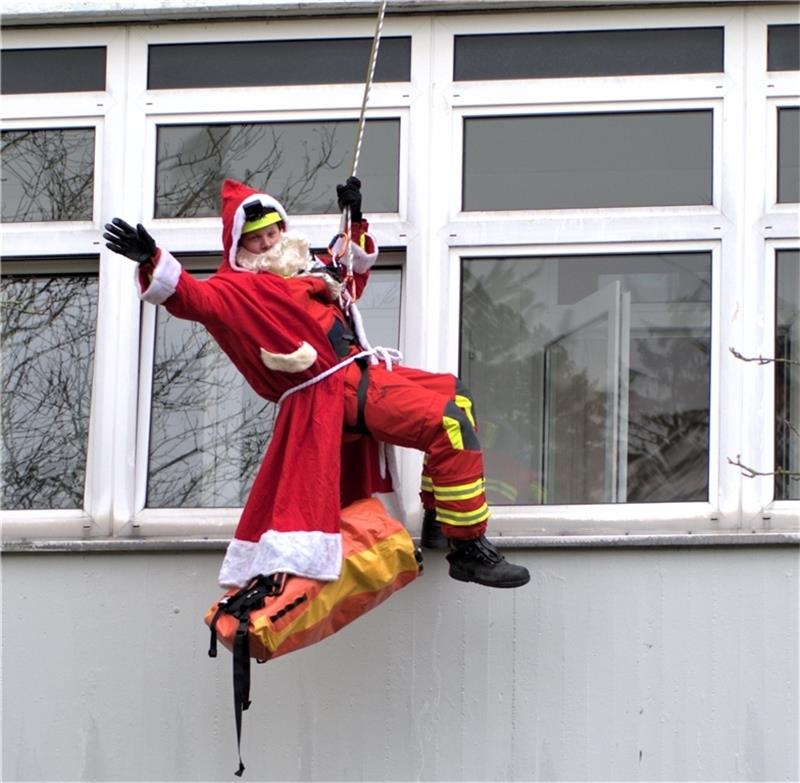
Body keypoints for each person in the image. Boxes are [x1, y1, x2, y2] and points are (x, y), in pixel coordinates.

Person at [104, 177, 530, 589]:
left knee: (456, 395)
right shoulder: (239, 291)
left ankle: (440, 521)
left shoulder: (309, 271)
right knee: (447, 423)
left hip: (361, 372)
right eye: (257, 239)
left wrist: (354, 216)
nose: (269, 243)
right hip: (332, 389)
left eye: (273, 232)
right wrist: (151, 259)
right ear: (239, 247)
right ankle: (468, 548)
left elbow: (351, 272)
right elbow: (194, 299)